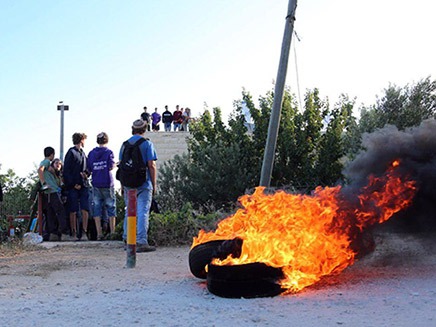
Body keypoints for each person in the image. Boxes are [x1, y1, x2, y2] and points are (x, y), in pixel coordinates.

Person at [119, 119, 157, 252]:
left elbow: (122, 167)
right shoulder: (147, 144)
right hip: (143, 183)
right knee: (143, 212)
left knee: (129, 211)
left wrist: (122, 186)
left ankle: (127, 239)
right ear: (144, 129)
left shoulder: (124, 145)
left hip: (128, 183)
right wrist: (154, 184)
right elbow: (151, 165)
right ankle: (141, 241)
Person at [37, 147, 73, 241]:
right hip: (52, 190)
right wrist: (44, 183)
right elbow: (40, 170)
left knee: (51, 213)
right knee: (61, 211)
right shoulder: (46, 162)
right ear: (52, 154)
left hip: (49, 192)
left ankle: (53, 234)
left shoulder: (50, 168)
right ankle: (64, 233)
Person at [87, 132, 116, 240]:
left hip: (96, 183)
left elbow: (89, 168)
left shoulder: (91, 153)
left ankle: (99, 233)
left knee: (97, 209)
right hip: (107, 183)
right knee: (111, 207)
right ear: (107, 141)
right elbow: (110, 166)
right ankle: (112, 232)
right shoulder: (109, 152)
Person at [63, 133, 90, 241]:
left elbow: (87, 168)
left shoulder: (83, 153)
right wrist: (73, 184)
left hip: (84, 185)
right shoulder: (71, 152)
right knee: (73, 210)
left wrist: (86, 174)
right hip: (73, 186)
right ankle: (73, 233)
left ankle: (84, 232)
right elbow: (66, 171)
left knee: (85, 209)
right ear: (81, 140)